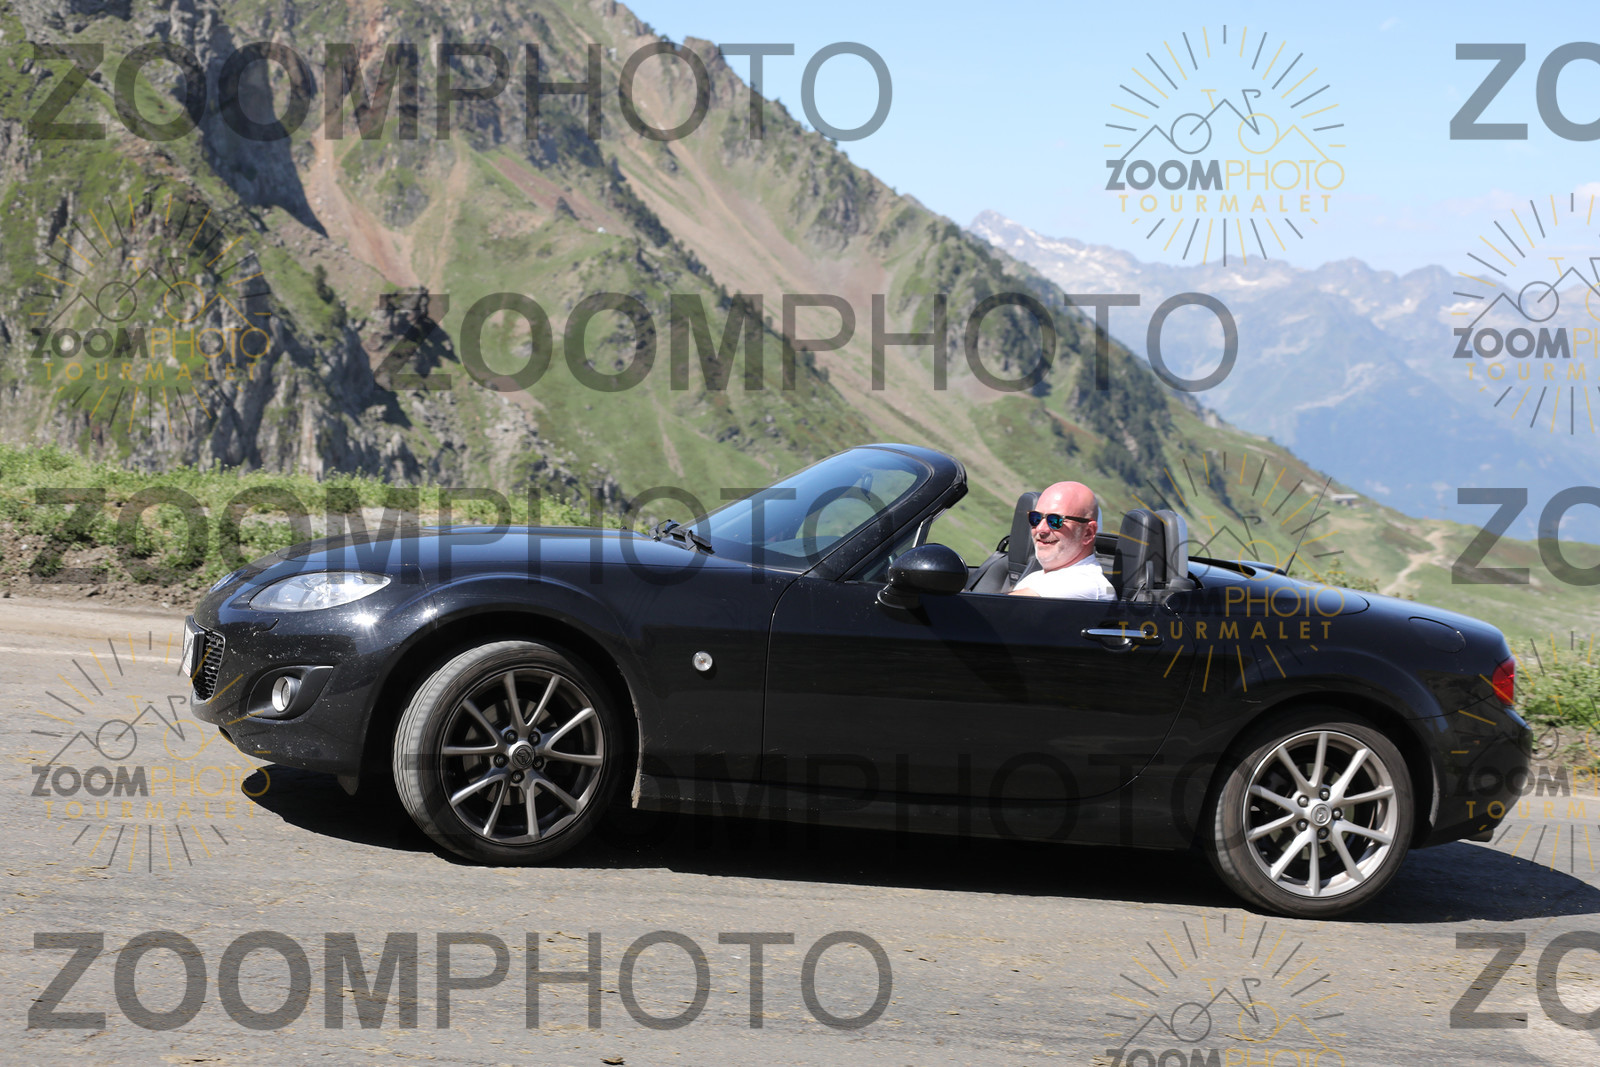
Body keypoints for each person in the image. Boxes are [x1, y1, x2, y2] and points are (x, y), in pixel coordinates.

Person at [1009, 480, 1116, 600]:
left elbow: (1000, 604)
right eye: (1036, 518)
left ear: (1088, 532)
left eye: (1055, 521)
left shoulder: (1085, 584)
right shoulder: (1034, 577)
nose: (1040, 529)